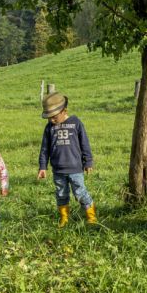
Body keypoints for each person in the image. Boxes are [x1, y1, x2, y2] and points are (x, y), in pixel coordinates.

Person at [37, 92, 97, 227]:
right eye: (49, 117)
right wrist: (42, 167)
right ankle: (64, 218)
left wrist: (88, 161)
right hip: (58, 170)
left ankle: (91, 217)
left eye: (54, 117)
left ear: (64, 111)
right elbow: (44, 149)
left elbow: (85, 144)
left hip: (75, 169)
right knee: (61, 194)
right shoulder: (49, 128)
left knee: (80, 193)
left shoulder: (76, 123)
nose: (51, 120)